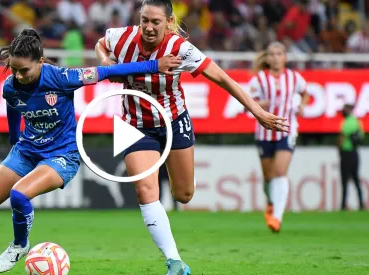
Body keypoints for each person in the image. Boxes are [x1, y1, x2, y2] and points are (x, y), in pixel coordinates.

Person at [0, 28, 182, 274]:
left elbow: (109, 72)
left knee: (19, 194)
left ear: (41, 62)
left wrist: (154, 65)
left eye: (24, 71)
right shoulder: (10, 86)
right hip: (26, 150)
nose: (18, 76)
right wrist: (13, 136)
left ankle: (19, 246)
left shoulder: (63, 78)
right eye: (14, 70)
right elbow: (12, 106)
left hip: (62, 155)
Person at [95, 0, 289, 273]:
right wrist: (106, 62)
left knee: (184, 194)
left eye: (156, 22)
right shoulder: (121, 37)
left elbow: (222, 79)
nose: (149, 28)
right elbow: (101, 44)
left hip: (174, 120)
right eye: (145, 21)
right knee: (145, 190)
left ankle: (182, 172)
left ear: (169, 22)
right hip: (134, 124)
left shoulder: (181, 50)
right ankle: (174, 261)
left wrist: (257, 111)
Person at [249, 41, 310, 233]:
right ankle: (271, 203)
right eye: (272, 54)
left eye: (279, 53)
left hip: (287, 129)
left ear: (285, 57)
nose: (275, 57)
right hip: (264, 131)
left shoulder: (294, 77)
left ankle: (277, 216)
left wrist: (302, 106)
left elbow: (305, 93)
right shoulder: (259, 79)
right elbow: (249, 102)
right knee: (268, 177)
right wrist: (260, 104)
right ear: (267, 58)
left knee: (280, 172)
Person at [338, 103, 365, 211]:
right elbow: (361, 136)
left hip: (346, 153)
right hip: (355, 153)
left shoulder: (347, 122)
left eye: (344, 109)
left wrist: (339, 149)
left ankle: (343, 205)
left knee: (344, 181)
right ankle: (361, 204)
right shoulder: (357, 121)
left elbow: (341, 137)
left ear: (349, 110)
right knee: (356, 179)